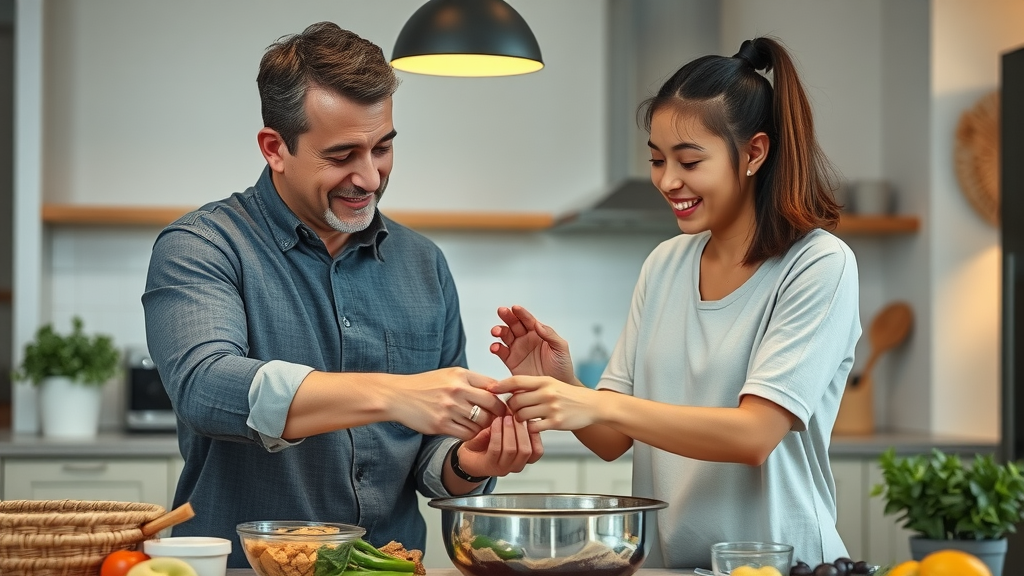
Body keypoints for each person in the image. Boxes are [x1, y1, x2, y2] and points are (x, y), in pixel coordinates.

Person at [142, 22, 541, 568]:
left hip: (393, 563)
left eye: (382, 148)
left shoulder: (424, 264)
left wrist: (471, 461)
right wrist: (393, 394)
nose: (370, 177)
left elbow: (431, 456)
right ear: (274, 148)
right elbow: (207, 387)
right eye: (342, 155)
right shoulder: (203, 245)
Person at [485, 37, 861, 569]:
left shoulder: (818, 265)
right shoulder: (665, 264)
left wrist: (597, 403)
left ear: (754, 152)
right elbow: (614, 438)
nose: (667, 181)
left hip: (784, 563)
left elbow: (755, 435)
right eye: (657, 160)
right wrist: (564, 386)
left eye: (688, 160)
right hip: (673, 564)